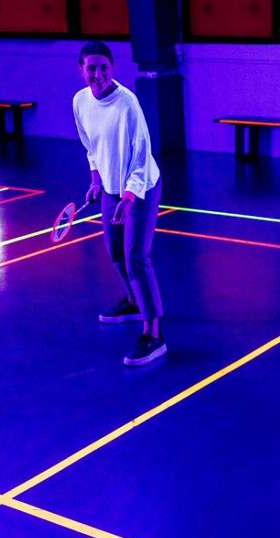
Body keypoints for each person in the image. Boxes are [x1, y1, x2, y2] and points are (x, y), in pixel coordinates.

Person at [73, 41, 166, 366]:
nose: (97, 74)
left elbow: (141, 156)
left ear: (112, 68)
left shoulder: (127, 104)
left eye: (103, 67)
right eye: (91, 68)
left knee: (136, 257)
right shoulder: (80, 101)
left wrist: (128, 197)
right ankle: (133, 300)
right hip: (111, 189)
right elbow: (90, 146)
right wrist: (96, 181)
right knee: (115, 253)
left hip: (140, 189)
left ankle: (153, 334)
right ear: (81, 70)